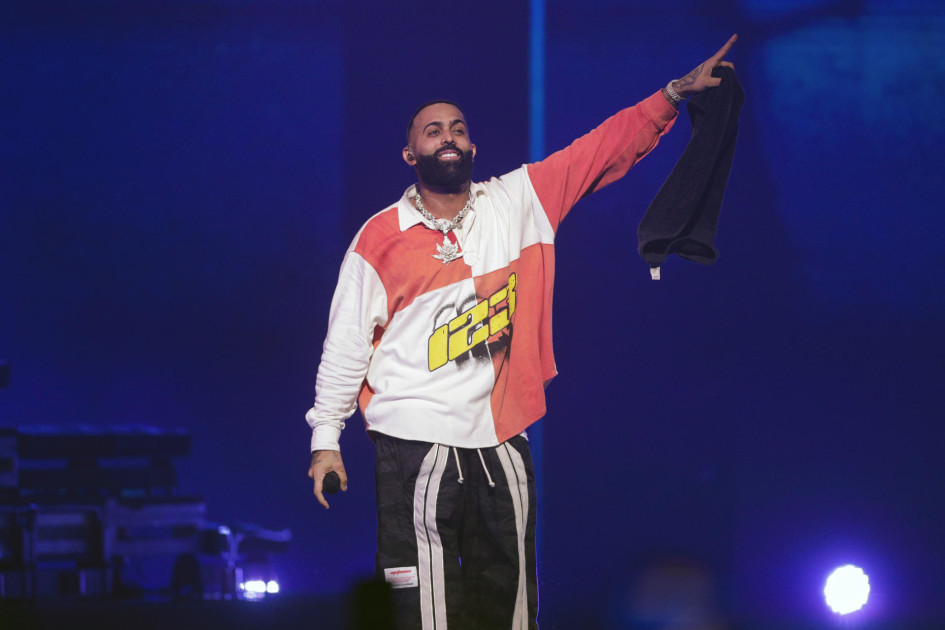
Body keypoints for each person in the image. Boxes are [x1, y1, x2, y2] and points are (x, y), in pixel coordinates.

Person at [306, 34, 738, 630]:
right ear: (410, 154)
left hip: (502, 441)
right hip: (411, 441)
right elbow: (346, 344)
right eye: (433, 131)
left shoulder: (518, 200)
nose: (447, 136)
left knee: (509, 608)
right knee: (418, 612)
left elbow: (600, 149)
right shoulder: (378, 237)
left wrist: (670, 95)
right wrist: (325, 438)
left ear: (473, 146)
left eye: (457, 128)